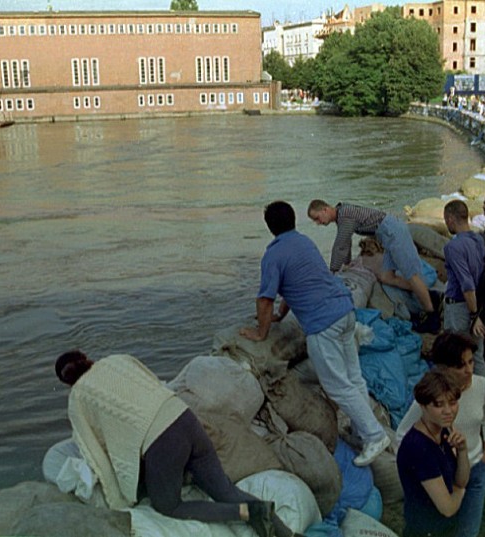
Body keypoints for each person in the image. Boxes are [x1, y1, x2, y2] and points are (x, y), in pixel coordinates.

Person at [54, 351, 297, 537]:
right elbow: (156, 384)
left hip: (162, 442)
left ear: (67, 383)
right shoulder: (118, 360)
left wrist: (117, 500)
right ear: (86, 358)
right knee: (224, 490)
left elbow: (94, 453)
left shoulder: (77, 399)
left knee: (168, 506)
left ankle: (245, 513)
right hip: (186, 418)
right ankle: (284, 531)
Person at [242, 201, 390, 466]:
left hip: (324, 324)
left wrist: (261, 332)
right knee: (353, 379)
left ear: (270, 227)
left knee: (336, 386)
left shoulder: (273, 255)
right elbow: (296, 286)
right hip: (345, 311)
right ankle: (362, 431)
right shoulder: (304, 243)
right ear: (294, 221)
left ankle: (375, 435)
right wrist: (282, 315)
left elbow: (265, 299)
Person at [396, 333, 485, 537]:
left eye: (471, 362)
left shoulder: (483, 387)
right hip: (442, 479)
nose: (469, 370)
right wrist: (415, 471)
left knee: (467, 531)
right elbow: (403, 436)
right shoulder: (428, 406)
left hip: (472, 466)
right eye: (461, 365)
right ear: (443, 369)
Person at [307, 200, 440, 333]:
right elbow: (345, 242)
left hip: (393, 232)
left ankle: (431, 314)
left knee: (411, 275)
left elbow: (340, 245)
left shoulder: (344, 214)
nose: (318, 223)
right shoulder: (342, 215)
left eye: (317, 218)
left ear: (325, 210)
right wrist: (346, 263)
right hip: (386, 236)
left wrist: (333, 272)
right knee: (386, 277)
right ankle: (428, 294)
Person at [396, 369, 471, 537]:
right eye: (439, 404)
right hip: (425, 530)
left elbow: (462, 479)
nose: (448, 411)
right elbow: (447, 508)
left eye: (452, 403)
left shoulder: (443, 431)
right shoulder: (418, 447)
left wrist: (462, 450)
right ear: (423, 406)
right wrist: (459, 491)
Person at [442, 200, 485, 377]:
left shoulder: (453, 247)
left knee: (456, 356)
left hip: (462, 308)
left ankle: (460, 395)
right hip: (478, 303)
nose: (446, 224)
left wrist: (474, 315)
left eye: (446, 220)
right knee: (477, 355)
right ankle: (484, 395)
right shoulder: (480, 240)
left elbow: (466, 283)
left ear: (451, 218)